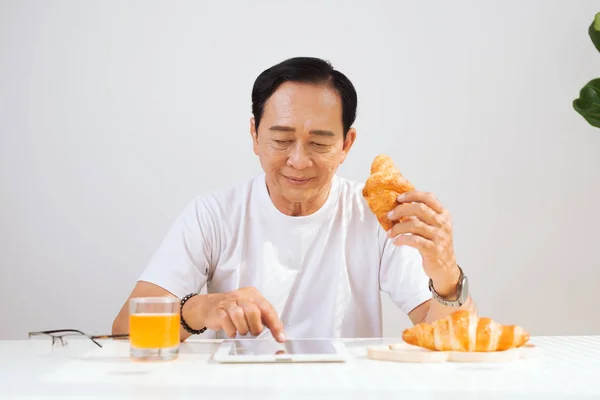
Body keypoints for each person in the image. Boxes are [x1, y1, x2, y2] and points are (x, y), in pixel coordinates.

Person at [112, 56, 476, 343]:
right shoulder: (213, 215)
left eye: (319, 143)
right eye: (281, 139)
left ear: (346, 145)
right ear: (254, 135)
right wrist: (200, 310)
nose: (299, 161)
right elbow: (125, 331)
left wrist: (446, 275)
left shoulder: (376, 216)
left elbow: (452, 341)